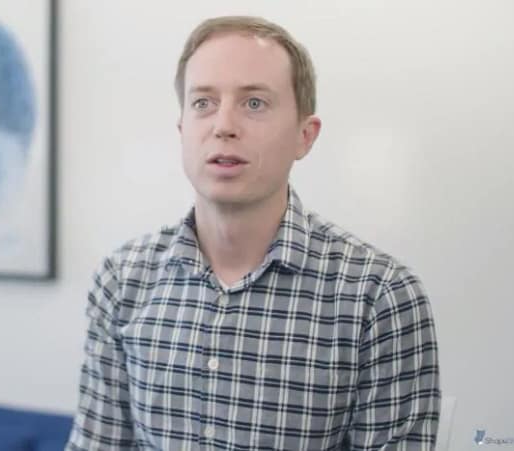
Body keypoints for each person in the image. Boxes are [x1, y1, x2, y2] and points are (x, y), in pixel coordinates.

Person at [66, 15, 440, 450]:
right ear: (183, 130)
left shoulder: (379, 296)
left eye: (255, 103)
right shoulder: (122, 280)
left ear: (305, 136)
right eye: (203, 102)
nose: (223, 125)